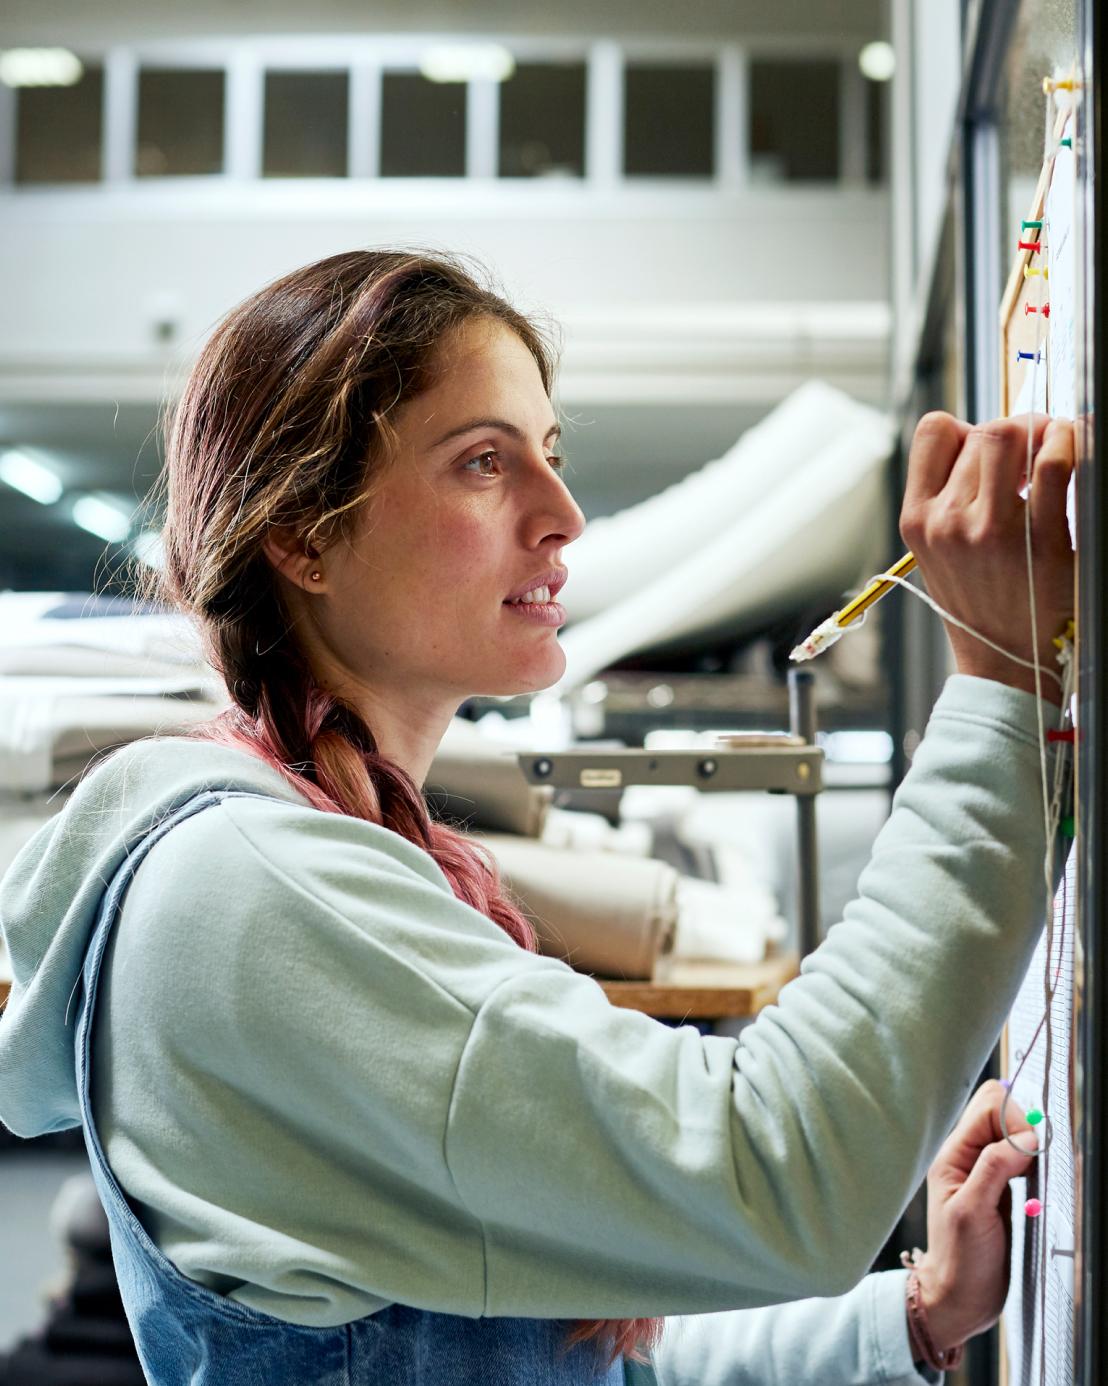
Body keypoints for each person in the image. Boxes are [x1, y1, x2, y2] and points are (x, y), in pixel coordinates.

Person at [0, 249, 1074, 1385]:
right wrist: (1001, 688)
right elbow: (779, 1168)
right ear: (304, 535)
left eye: (550, 458)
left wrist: (908, 1314)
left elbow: (550, 1364)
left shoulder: (318, 858)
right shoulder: (248, 896)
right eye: (481, 463)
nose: (562, 516)